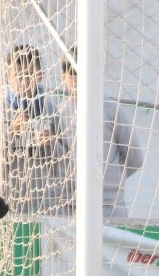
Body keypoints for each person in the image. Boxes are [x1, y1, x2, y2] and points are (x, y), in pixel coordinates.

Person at [0, 45, 68, 215]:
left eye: (29, 75)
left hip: (44, 204)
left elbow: (64, 161)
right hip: (5, 201)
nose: (24, 82)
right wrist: (10, 134)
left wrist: (51, 144)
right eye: (18, 76)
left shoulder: (51, 110)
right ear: (8, 76)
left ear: (40, 75)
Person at [55, 48, 145, 219]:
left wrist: (108, 181)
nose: (77, 80)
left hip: (108, 208)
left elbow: (135, 158)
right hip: (69, 208)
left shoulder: (111, 109)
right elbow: (57, 159)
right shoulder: (59, 113)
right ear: (64, 77)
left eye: (82, 73)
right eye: (72, 74)